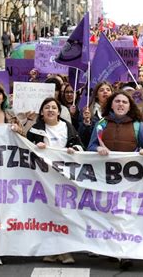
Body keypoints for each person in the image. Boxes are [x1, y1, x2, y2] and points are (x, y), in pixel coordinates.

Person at [26, 97, 83, 264]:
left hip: (64, 177)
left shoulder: (68, 127)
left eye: (53, 107)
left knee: (64, 213)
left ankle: (65, 251)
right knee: (47, 213)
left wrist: (73, 150)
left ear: (59, 111)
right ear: (42, 112)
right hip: (43, 178)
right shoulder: (35, 130)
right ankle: (51, 250)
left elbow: (80, 146)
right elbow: (24, 148)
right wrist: (35, 146)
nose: (50, 110)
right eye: (47, 107)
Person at [0, 82, 22, 266]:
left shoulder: (10, 116)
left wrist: (18, 131)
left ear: (3, 96)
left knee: (2, 211)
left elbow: (23, 141)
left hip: (6, 174)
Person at [88, 90, 143, 157]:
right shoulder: (101, 124)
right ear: (111, 105)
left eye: (124, 102)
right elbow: (91, 146)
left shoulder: (138, 125)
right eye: (117, 101)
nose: (120, 104)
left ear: (129, 108)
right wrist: (97, 148)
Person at [78, 81, 113, 146]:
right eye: (101, 90)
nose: (105, 91)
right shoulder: (87, 111)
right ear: (96, 95)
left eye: (108, 90)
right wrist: (86, 123)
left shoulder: (116, 111)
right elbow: (82, 138)